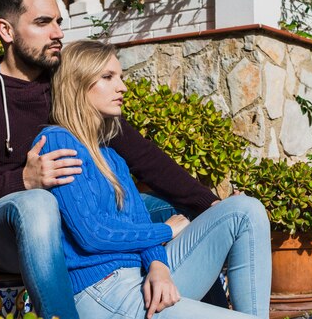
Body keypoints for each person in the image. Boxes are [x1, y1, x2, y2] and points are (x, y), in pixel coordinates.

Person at [0, 0, 221, 319]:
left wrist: (210, 204)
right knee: (38, 205)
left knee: (185, 213)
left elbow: (141, 154)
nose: (57, 33)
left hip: (70, 217)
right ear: (6, 30)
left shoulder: (64, 85)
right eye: (42, 23)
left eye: (57, 21)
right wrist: (21, 181)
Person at [34, 40, 271, 319]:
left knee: (245, 209)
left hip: (139, 279)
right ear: (77, 84)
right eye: (108, 77)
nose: (121, 87)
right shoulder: (57, 141)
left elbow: (138, 223)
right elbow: (91, 235)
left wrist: (158, 265)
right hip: (101, 291)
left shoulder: (112, 157)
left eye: (120, 77)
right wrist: (166, 233)